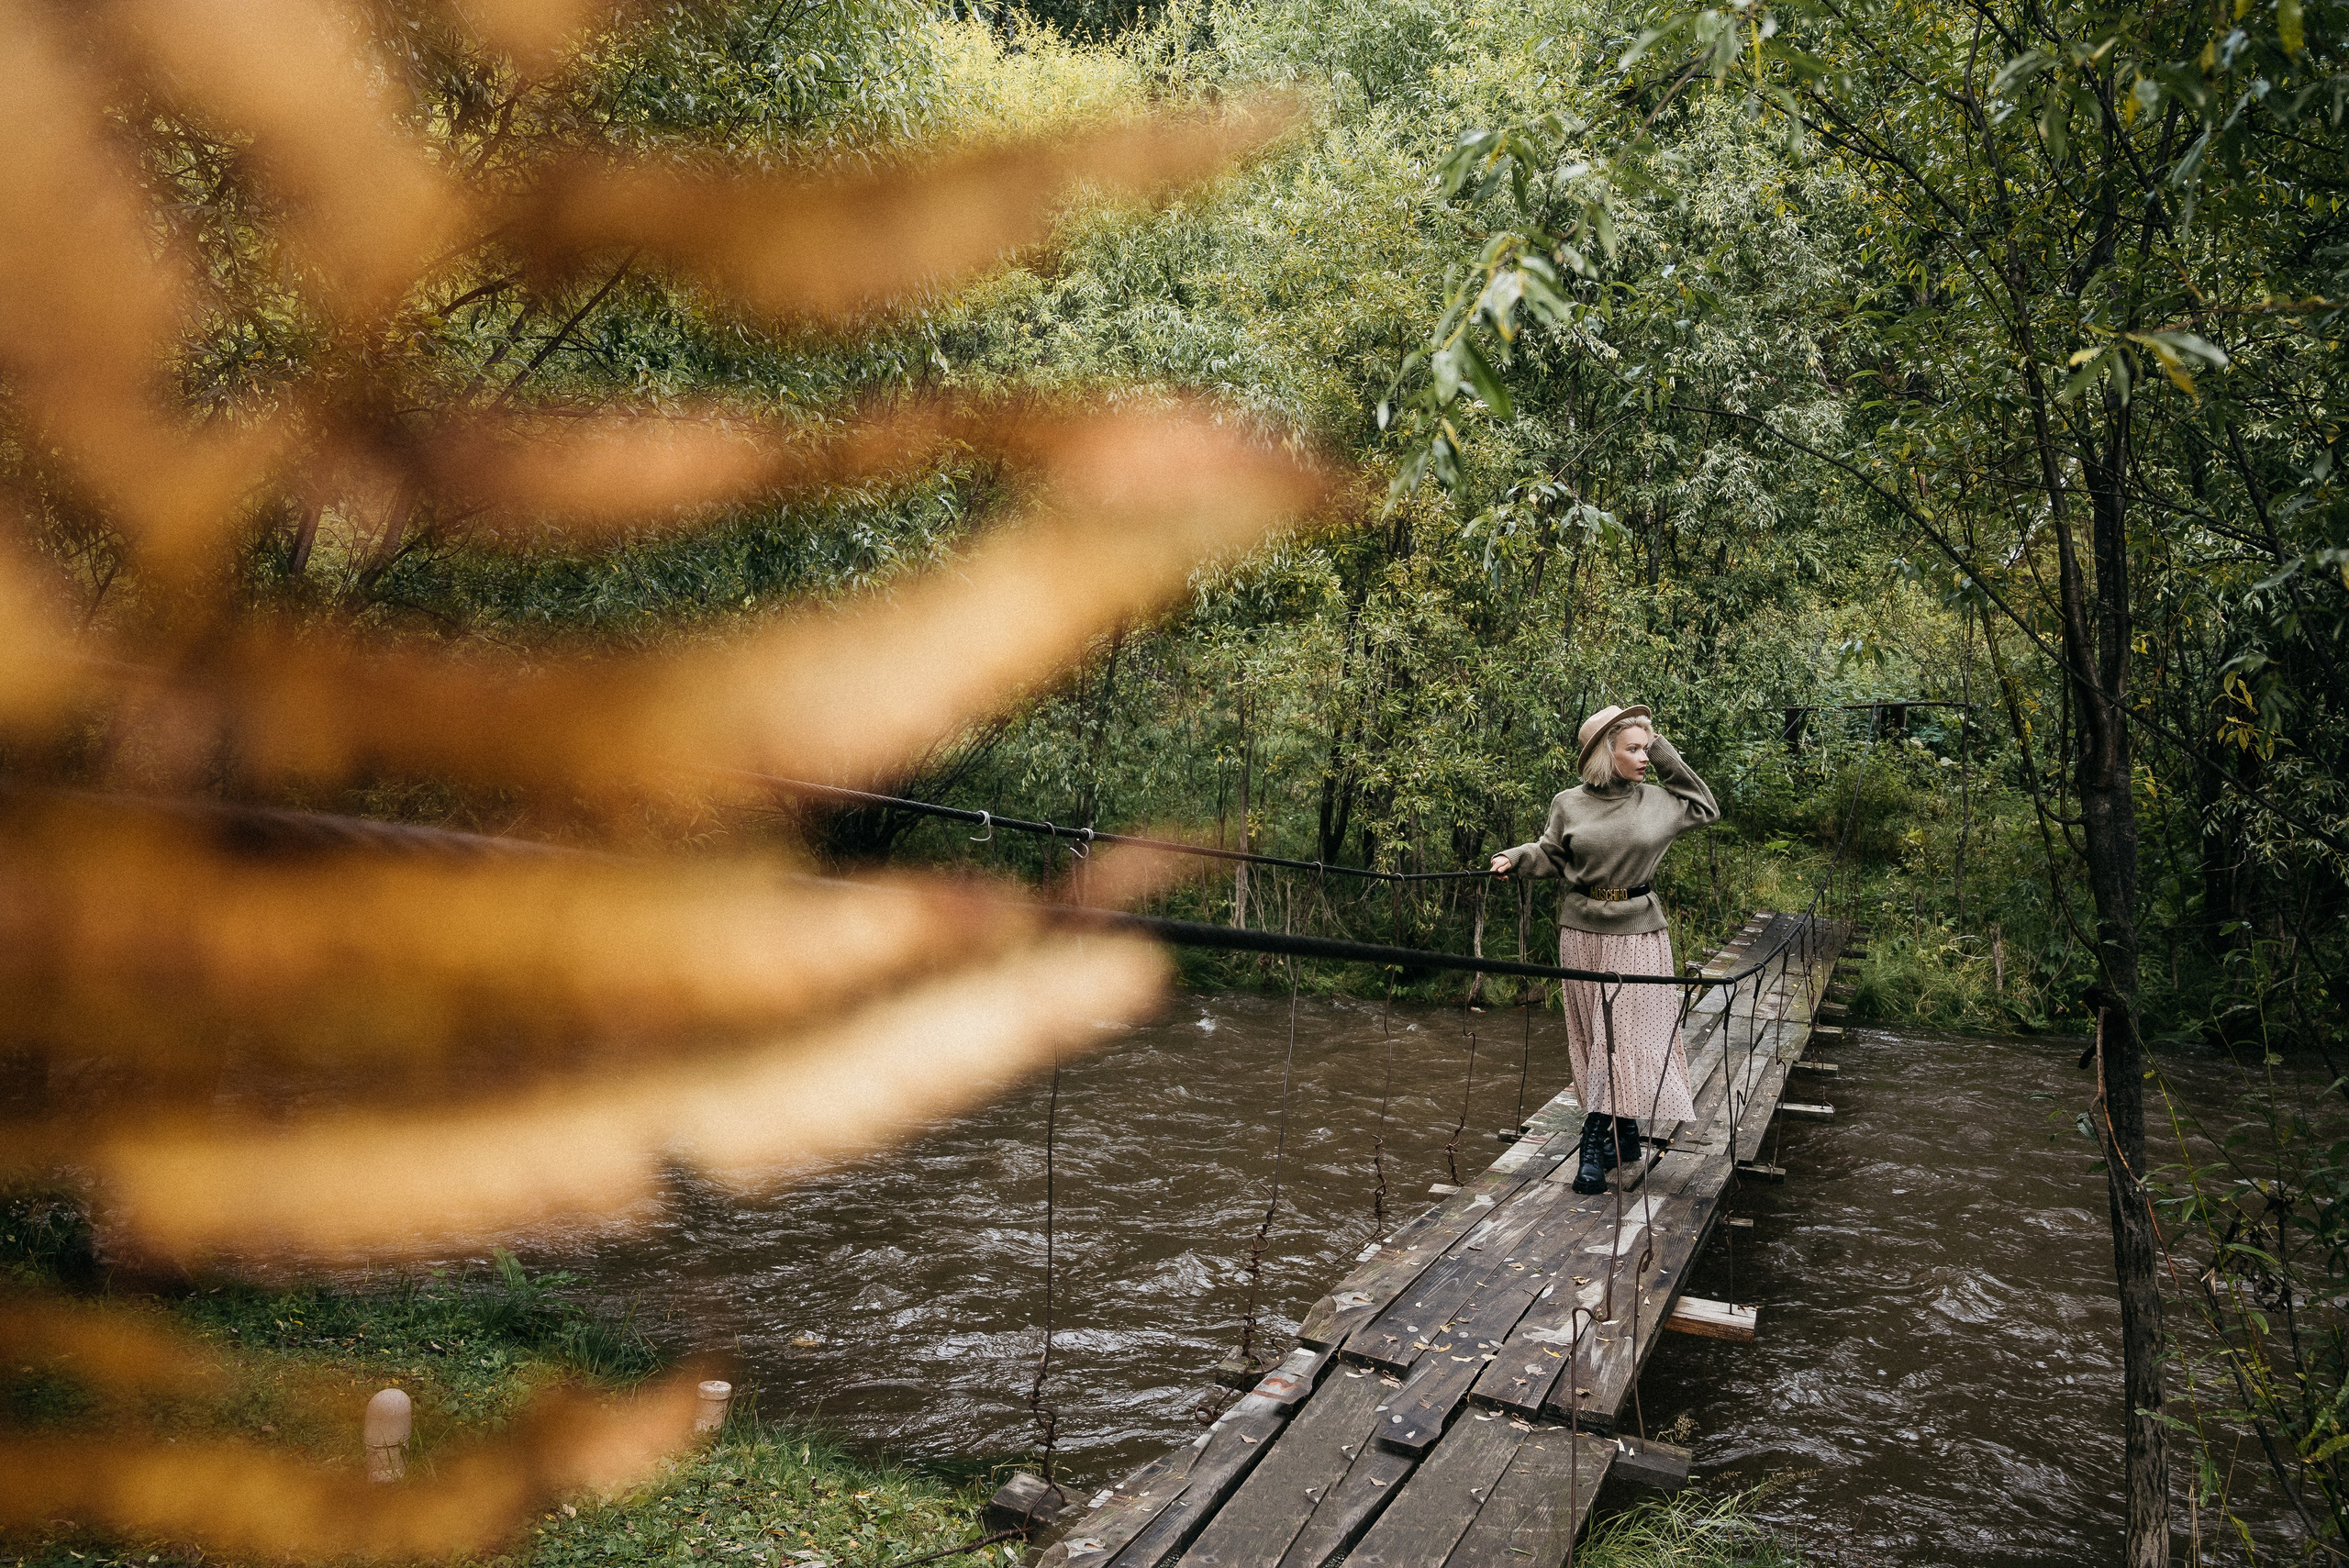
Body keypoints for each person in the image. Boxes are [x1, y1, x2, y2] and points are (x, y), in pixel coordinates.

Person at [1490, 704, 1719, 1194]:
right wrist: (1514, 857)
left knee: (1621, 1038)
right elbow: (1551, 854)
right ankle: (1626, 1136)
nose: (1642, 757)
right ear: (1604, 754)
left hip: (1637, 931)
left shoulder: (1658, 800)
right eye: (1633, 749)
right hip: (1580, 929)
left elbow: (1706, 806)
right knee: (1594, 1035)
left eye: (1646, 748)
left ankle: (1593, 1144)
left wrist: (1660, 749)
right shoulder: (1568, 803)